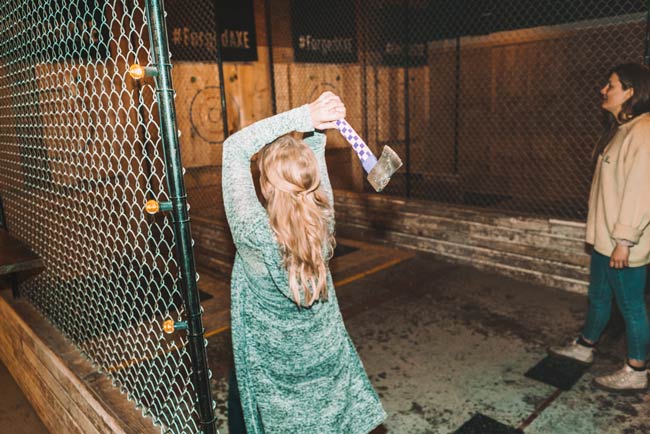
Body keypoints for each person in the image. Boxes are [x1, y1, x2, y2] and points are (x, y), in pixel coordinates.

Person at [222, 91, 386, 433]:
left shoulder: (253, 233)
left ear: (265, 187)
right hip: (322, 358)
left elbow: (234, 149)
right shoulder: (323, 221)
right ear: (310, 182)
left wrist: (304, 116)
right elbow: (314, 153)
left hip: (270, 363)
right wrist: (318, 122)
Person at [549, 63, 650, 392]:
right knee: (599, 297)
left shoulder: (644, 131)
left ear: (630, 92)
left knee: (632, 306)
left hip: (623, 244)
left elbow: (641, 190)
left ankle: (637, 369)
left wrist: (625, 239)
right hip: (607, 241)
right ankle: (584, 347)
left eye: (611, 85)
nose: (603, 90)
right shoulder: (623, 129)